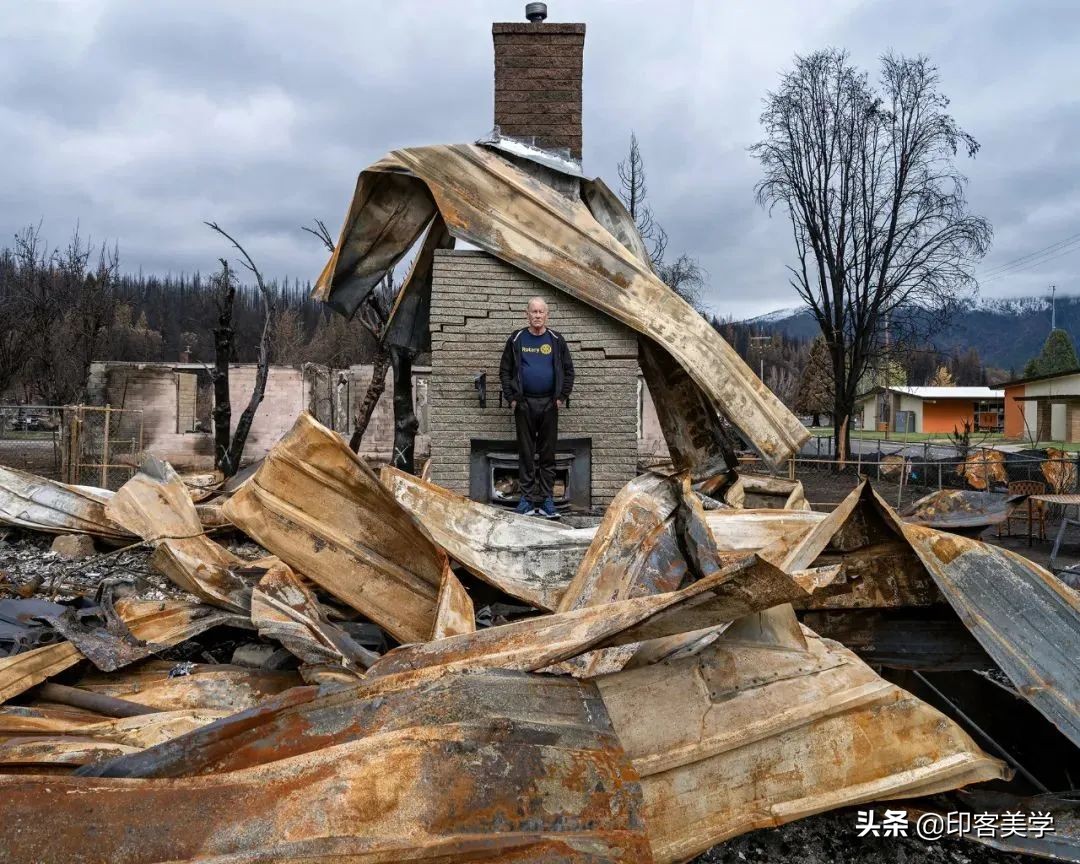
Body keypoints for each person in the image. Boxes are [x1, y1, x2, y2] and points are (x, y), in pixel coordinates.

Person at [499, 297, 574, 518]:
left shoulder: (556, 340)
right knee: (526, 453)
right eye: (534, 312)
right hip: (524, 404)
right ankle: (527, 500)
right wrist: (512, 398)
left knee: (547, 454)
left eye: (541, 312)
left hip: (549, 404)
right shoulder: (516, 339)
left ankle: (546, 500)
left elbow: (569, 371)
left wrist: (561, 397)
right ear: (527, 314)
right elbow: (504, 370)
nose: (537, 315)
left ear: (547, 315)